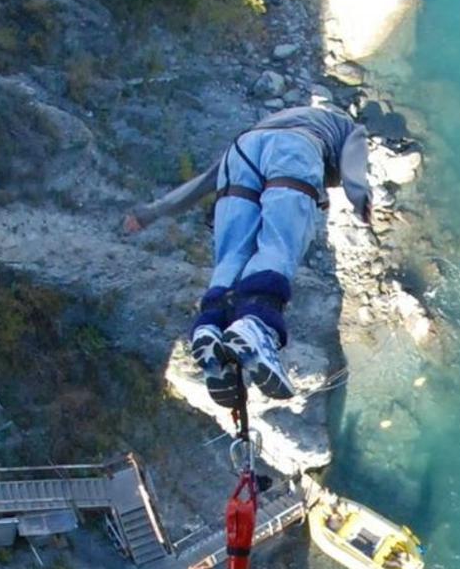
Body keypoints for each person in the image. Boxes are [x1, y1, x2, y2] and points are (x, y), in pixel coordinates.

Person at [122, 102, 373, 410]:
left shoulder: (273, 121)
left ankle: (211, 328)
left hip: (239, 153)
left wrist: (150, 212)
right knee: (278, 245)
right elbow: (353, 159)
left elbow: (204, 182)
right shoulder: (348, 127)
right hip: (295, 151)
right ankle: (256, 325)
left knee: (232, 255)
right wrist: (360, 196)